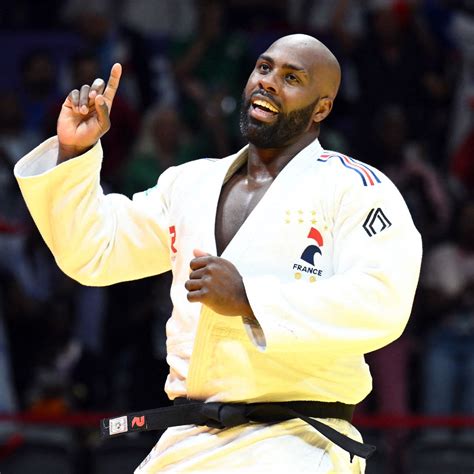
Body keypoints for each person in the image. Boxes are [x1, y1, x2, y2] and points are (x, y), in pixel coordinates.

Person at [14, 34, 422, 473]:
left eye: (291, 78)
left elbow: (383, 303)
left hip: (296, 443)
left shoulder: (355, 188)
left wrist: (250, 299)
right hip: (190, 442)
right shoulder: (190, 184)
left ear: (321, 108)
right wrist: (76, 151)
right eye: (264, 68)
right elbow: (95, 252)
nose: (268, 82)